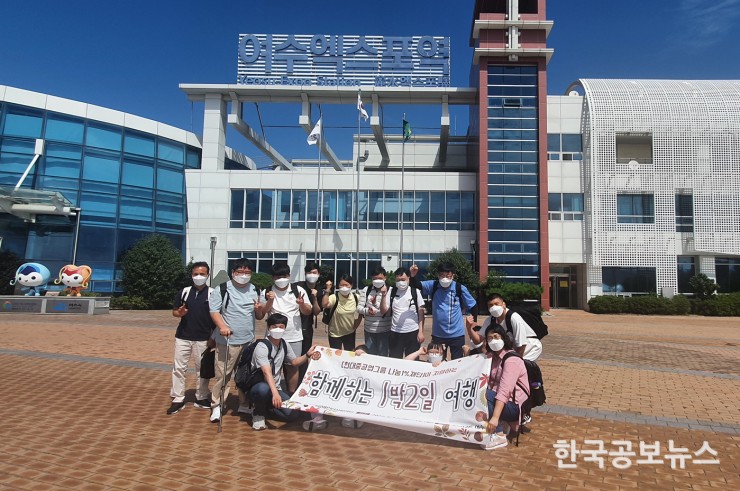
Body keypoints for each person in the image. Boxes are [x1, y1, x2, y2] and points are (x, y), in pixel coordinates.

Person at [208, 258, 263, 423]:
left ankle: (244, 403)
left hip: (248, 340)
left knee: (244, 374)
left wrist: (260, 309)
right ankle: (217, 405)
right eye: (240, 272)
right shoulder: (222, 289)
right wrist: (222, 326)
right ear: (233, 273)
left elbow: (259, 315)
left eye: (247, 272)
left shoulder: (255, 289)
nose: (244, 275)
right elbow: (214, 311)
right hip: (227, 340)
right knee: (223, 374)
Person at [248, 313, 317, 430]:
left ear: (285, 328)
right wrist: (275, 394)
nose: (278, 329)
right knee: (262, 389)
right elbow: (266, 372)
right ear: (268, 328)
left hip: (276, 388)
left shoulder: (284, 344)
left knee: (293, 415)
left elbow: (294, 362)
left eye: (281, 327)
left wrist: (307, 355)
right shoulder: (262, 346)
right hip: (259, 385)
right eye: (274, 327)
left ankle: (267, 408)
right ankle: (258, 413)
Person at [167, 261, 216, 415]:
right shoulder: (184, 292)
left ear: (208, 275)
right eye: (195, 274)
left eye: (202, 274)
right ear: (191, 275)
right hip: (183, 336)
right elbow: (175, 311)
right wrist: (180, 313)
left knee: (202, 369)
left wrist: (213, 337)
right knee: (179, 368)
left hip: (203, 338)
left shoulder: (213, 293)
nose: (198, 277)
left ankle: (201, 396)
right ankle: (178, 398)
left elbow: (217, 317)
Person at [257, 262, 312, 393]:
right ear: (273, 278)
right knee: (271, 367)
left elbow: (308, 311)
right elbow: (261, 314)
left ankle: (291, 394)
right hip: (273, 337)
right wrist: (270, 301)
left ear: (289, 276)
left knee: (293, 366)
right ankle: (271, 394)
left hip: (294, 336)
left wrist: (301, 304)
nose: (281, 279)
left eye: (284, 276)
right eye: (278, 277)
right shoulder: (267, 292)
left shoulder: (298, 290)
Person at [409, 262, 477, 360]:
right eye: (442, 275)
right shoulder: (434, 285)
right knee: (436, 361)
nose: (445, 278)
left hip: (457, 334)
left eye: (448, 276)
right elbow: (415, 284)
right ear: (438, 275)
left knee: (457, 362)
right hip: (438, 335)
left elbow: (473, 305)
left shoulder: (459, 288)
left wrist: (474, 323)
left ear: (453, 276)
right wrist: (413, 275)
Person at [480, 324, 529, 450]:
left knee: (484, 394)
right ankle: (501, 422)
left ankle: (499, 434)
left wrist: (495, 418)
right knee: (479, 391)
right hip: (499, 401)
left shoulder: (511, 360)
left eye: (496, 337)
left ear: (503, 338)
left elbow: (504, 391)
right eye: (490, 338)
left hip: (514, 406)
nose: (493, 341)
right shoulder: (492, 357)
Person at [303, 344, 369, 432]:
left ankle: (349, 419)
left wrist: (366, 358)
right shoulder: (345, 360)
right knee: (317, 387)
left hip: (350, 395)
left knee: (355, 394)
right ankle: (317, 419)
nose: (359, 355)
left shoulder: (371, 368)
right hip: (336, 390)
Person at [381, 267, 426, 359]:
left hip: (413, 332)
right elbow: (383, 311)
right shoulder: (391, 291)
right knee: (395, 360)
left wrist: (421, 332)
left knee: (413, 360)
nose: (400, 282)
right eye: (398, 280)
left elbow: (421, 313)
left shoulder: (415, 291)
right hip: (395, 332)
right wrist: (383, 296)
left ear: (408, 278)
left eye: (403, 279)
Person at [294, 262, 323, 382]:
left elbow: (316, 312)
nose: (312, 275)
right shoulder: (297, 286)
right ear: (305, 274)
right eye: (309, 272)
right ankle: (293, 381)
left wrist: (315, 298)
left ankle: (302, 380)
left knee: (305, 353)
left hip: (307, 325)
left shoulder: (319, 290)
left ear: (319, 274)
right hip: (294, 324)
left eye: (314, 272)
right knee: (293, 355)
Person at [357, 266, 391, 356]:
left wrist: (376, 305)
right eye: (375, 279)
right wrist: (367, 311)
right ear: (371, 278)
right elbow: (359, 308)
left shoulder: (390, 290)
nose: (377, 281)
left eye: (380, 278)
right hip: (369, 330)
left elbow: (388, 310)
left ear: (385, 277)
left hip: (385, 330)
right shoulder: (366, 290)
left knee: (383, 356)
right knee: (370, 356)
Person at [322, 274, 362, 350]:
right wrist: (327, 290)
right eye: (341, 285)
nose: (344, 287)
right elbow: (324, 304)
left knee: (350, 354)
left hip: (350, 333)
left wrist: (356, 324)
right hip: (335, 334)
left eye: (346, 285)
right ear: (338, 286)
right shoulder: (334, 297)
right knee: (336, 355)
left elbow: (361, 311)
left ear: (351, 285)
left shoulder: (356, 297)